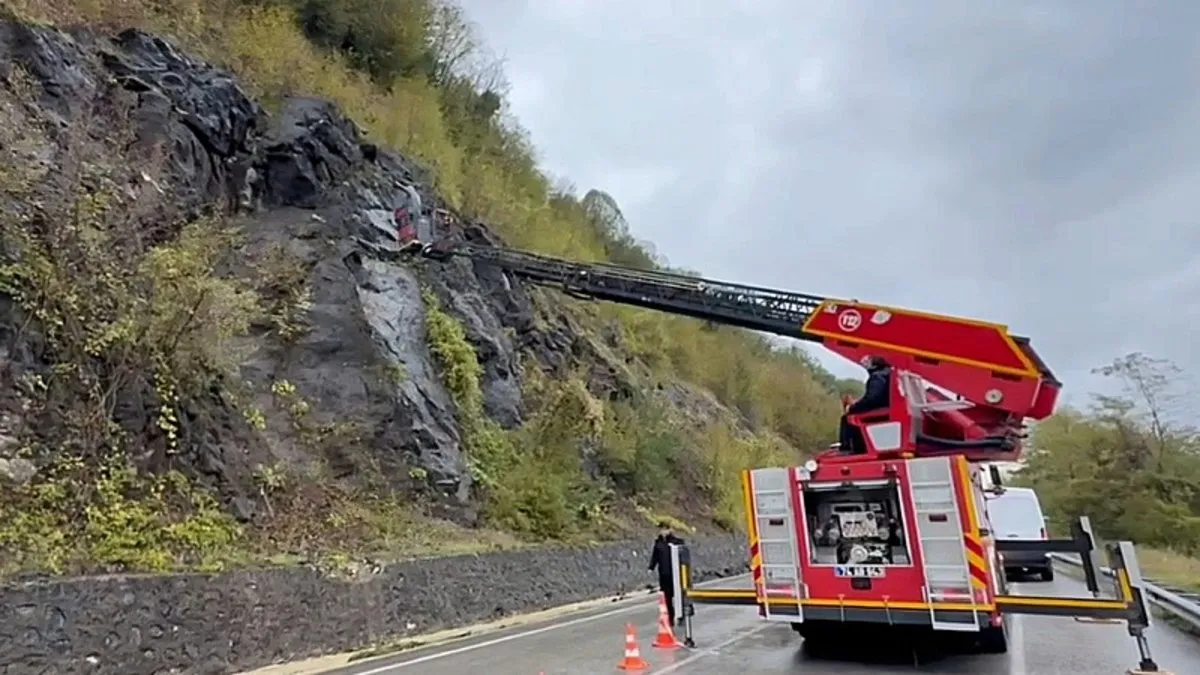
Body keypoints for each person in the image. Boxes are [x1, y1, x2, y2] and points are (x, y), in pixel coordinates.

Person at [838, 356, 893, 454]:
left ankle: (849, 449)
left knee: (847, 418)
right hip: (886, 410)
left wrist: (853, 407)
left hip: (880, 414)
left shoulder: (878, 377)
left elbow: (872, 400)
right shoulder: (888, 373)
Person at [648, 522, 686, 625]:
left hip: (676, 574)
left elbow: (684, 556)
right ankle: (670, 617)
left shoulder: (677, 542)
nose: (663, 532)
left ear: (670, 530)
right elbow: (655, 556)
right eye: (661, 530)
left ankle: (682, 615)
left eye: (665, 529)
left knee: (679, 596)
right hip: (664, 575)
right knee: (667, 598)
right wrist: (651, 567)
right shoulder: (658, 543)